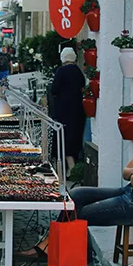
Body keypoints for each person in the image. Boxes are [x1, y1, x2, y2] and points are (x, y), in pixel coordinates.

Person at [16, 100, 133, 266]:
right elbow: (126, 172)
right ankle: (48, 244)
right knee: (76, 194)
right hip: (129, 192)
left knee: (80, 216)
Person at [51, 47, 86, 176]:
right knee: (74, 136)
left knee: (63, 137)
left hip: (64, 110)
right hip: (77, 109)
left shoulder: (61, 71)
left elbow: (54, 89)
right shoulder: (78, 71)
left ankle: (70, 168)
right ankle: (73, 167)